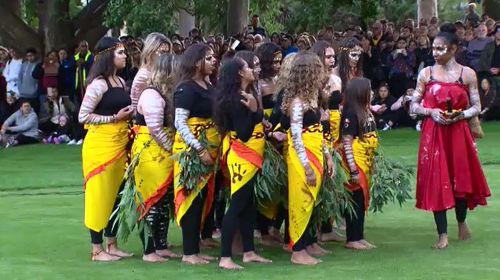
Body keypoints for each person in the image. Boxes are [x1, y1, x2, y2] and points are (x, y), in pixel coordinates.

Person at [409, 23, 490, 249]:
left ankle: (462, 221)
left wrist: (460, 114)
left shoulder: (467, 74)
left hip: (458, 132)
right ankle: (442, 234)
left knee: (460, 178)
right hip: (433, 133)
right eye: (433, 49)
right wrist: (431, 112)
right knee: (437, 179)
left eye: (440, 49)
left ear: (453, 49)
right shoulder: (426, 73)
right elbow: (413, 106)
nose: (435, 53)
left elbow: (477, 105)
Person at [78, 37, 134, 261]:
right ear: (108, 55)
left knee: (117, 195)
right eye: (120, 52)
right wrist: (114, 117)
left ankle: (112, 244)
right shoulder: (98, 84)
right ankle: (96, 248)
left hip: (120, 145)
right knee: (100, 195)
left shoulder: (120, 82)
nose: (125, 56)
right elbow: (83, 115)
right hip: (101, 147)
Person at [215, 57, 272, 270]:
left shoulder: (245, 94)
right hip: (242, 155)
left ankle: (249, 252)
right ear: (240, 73)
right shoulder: (237, 99)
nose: (251, 70)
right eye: (247, 67)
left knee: (248, 205)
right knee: (237, 204)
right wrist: (256, 111)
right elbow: (245, 134)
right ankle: (225, 257)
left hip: (249, 154)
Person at [281, 51, 334, 265]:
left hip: (316, 152)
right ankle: (298, 251)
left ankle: (309, 244)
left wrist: (328, 155)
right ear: (309, 73)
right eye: (317, 69)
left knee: (311, 201)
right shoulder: (297, 103)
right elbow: (295, 137)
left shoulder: (313, 98)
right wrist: (307, 167)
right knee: (300, 201)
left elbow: (317, 131)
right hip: (302, 157)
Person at [172, 43, 220, 265]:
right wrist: (199, 149)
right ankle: (189, 254)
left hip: (210, 147)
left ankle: (195, 248)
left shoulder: (209, 85)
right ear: (196, 61)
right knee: (191, 198)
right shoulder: (186, 88)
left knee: (201, 200)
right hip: (192, 151)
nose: (213, 61)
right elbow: (180, 122)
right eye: (208, 58)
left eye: (213, 57)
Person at [132, 53, 180, 262]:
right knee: (151, 200)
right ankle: (149, 250)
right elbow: (156, 130)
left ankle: (161, 245)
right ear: (167, 71)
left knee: (163, 201)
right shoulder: (151, 95)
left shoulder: (165, 92)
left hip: (163, 152)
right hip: (151, 152)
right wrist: (174, 150)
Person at [340, 77, 378, 250]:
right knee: (355, 199)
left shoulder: (365, 110)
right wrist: (353, 169)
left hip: (366, 161)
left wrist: (373, 163)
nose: (372, 92)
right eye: (369, 89)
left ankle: (359, 236)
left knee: (362, 200)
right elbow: (347, 142)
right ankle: (352, 239)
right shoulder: (350, 112)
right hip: (355, 163)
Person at [130, 32, 171, 112]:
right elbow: (135, 109)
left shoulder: (162, 72)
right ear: (150, 51)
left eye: (167, 53)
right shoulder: (143, 76)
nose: (165, 57)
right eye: (162, 52)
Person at [18, 48, 41, 113]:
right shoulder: (24, 64)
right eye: (28, 56)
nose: (30, 57)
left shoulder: (39, 64)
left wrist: (35, 90)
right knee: (23, 114)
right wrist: (20, 89)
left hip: (34, 95)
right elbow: (19, 78)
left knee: (34, 114)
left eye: (31, 55)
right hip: (23, 95)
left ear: (35, 55)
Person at [72, 40, 94, 105]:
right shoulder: (75, 57)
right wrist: (76, 64)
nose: (84, 48)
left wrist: (84, 63)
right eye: (82, 46)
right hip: (77, 86)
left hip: (88, 85)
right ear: (79, 48)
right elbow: (71, 68)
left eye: (85, 46)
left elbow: (92, 66)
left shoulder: (91, 57)